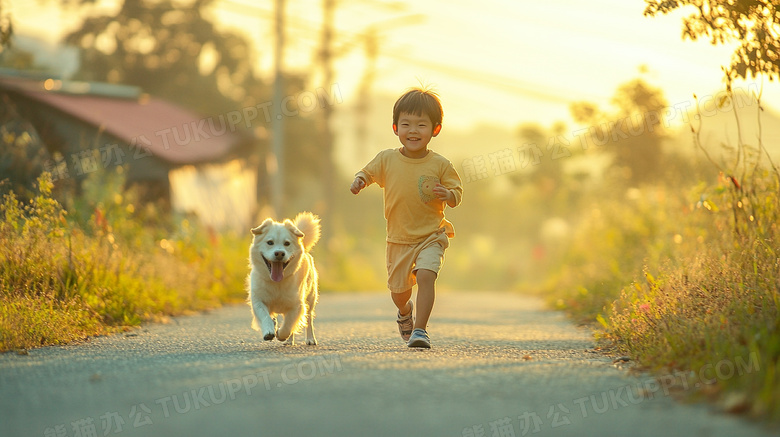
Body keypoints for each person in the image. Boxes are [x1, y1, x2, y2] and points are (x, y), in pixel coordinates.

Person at [350, 87, 463, 348]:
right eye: (406, 124)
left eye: (421, 125)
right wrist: (359, 181)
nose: (413, 131)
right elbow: (367, 173)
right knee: (399, 294)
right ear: (395, 127)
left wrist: (448, 193)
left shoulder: (441, 164)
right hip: (398, 240)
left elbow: (457, 193)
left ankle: (420, 330)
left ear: (435, 129)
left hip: (431, 235)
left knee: (426, 275)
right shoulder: (387, 159)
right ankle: (405, 312)